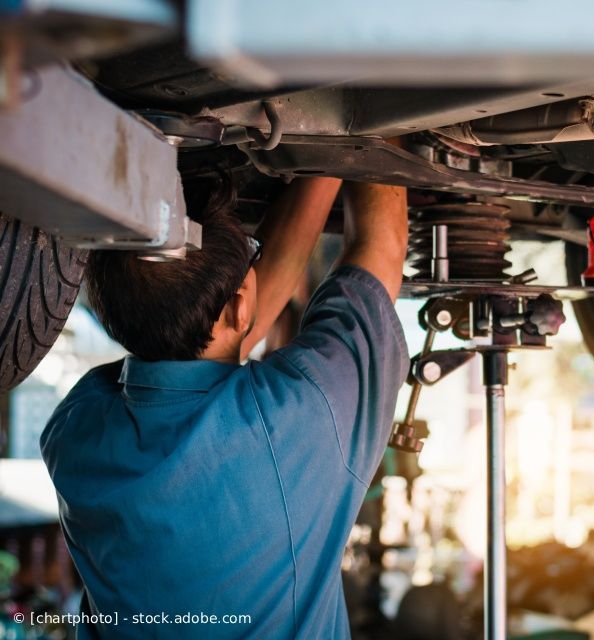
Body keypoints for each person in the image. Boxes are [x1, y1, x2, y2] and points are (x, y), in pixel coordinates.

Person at [39, 178, 410, 639]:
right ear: (239, 307)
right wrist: (343, 139)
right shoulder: (74, 429)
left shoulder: (75, 435)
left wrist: (342, 154)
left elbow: (380, 248)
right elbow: (219, 335)